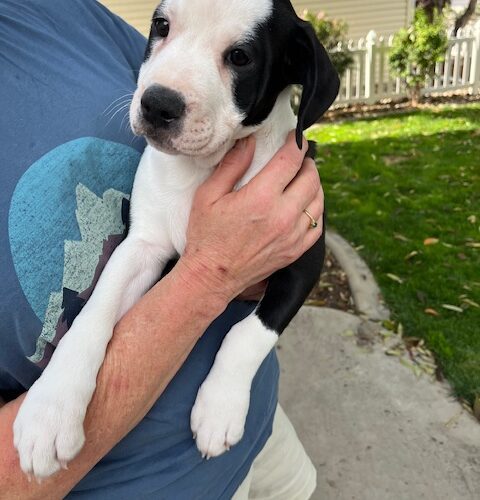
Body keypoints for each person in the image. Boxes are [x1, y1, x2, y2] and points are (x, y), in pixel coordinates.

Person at [0, 0, 323, 498]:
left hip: (258, 426)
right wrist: (68, 373)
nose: (162, 89)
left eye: (237, 58)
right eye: (164, 28)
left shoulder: (46, 9)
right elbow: (142, 249)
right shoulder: (163, 159)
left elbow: (300, 265)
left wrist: (235, 368)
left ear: (294, 72)